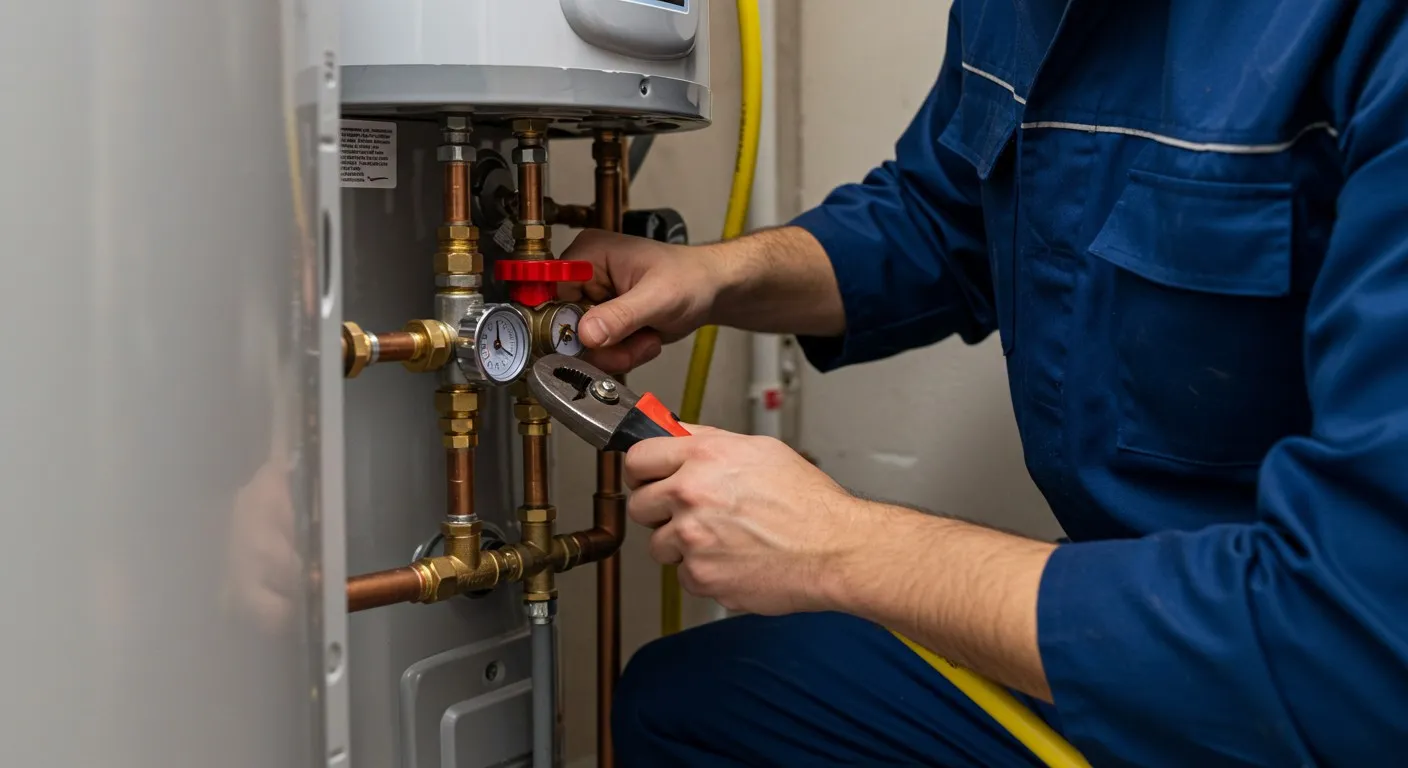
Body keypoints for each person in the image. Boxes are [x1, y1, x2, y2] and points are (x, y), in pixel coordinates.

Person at [559, 2, 1408, 765]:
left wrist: (841, 547)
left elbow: (1345, 643)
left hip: (1286, 668)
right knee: (694, 703)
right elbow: (942, 217)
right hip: (1142, 615)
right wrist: (715, 276)